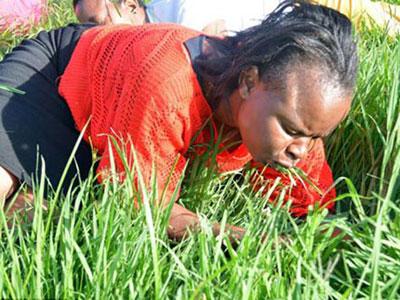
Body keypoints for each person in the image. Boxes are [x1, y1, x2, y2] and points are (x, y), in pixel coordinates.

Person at [0, 1, 358, 240]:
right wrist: (248, 239)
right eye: (293, 130)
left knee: (65, 202)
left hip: (116, 115)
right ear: (248, 82)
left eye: (315, 136)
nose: (302, 149)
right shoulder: (170, 85)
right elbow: (143, 209)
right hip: (55, 75)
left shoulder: (292, 115)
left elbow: (318, 214)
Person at [73, 0, 400, 35]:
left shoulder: (180, 13)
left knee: (389, 25)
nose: (92, 36)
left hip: (304, 8)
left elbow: (212, 42)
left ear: (131, 6)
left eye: (97, 22)